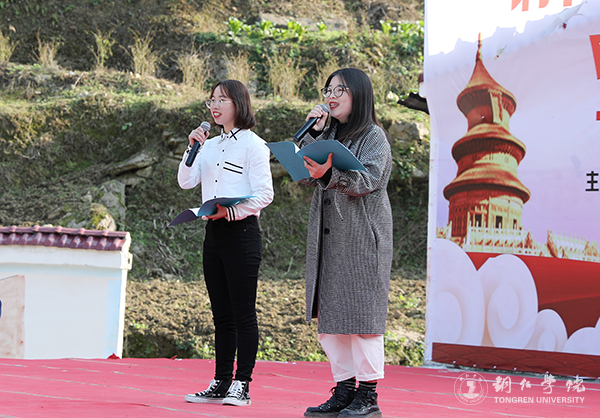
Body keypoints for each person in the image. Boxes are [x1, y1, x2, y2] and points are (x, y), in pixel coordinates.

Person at [298, 68, 393, 418]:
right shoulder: (328, 133)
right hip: (328, 238)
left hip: (362, 238)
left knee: (362, 320)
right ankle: (344, 390)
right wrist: (312, 137)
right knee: (331, 320)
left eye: (340, 90)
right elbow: (307, 173)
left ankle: (367, 396)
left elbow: (367, 180)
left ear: (359, 94)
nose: (331, 96)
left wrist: (330, 174)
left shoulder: (373, 136)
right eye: (328, 89)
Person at [178, 79, 274, 407]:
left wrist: (231, 211)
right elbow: (186, 181)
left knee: (243, 313)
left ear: (239, 104)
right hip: (213, 234)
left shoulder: (254, 145)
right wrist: (191, 148)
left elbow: (265, 194)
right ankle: (220, 381)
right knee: (221, 315)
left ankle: (242, 384)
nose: (215, 106)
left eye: (222, 99)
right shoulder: (208, 145)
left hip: (242, 233)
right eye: (212, 100)